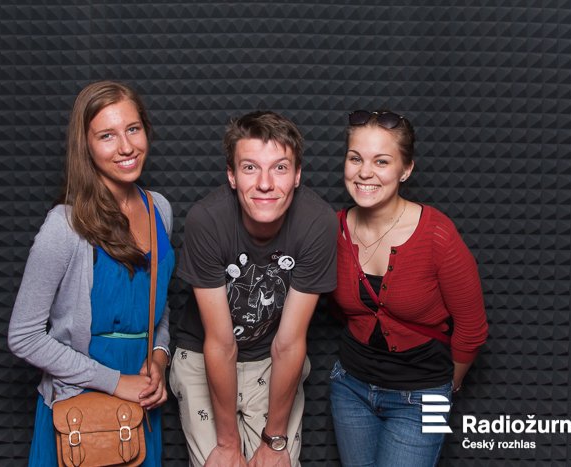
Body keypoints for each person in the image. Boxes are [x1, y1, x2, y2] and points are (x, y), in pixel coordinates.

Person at [7, 80, 175, 467]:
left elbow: (159, 306)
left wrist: (159, 358)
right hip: (80, 408)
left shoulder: (159, 209)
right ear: (85, 146)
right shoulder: (64, 226)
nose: (126, 147)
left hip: (142, 401)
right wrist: (116, 382)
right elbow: (23, 336)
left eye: (133, 129)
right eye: (107, 136)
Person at [170, 111, 337, 467]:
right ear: (231, 175)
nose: (265, 183)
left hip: (271, 360)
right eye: (250, 168)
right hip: (203, 356)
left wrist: (274, 441)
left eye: (280, 168)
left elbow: (289, 343)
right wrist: (228, 443)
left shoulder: (317, 222)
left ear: (297, 175)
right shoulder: (207, 220)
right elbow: (220, 343)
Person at [329, 110, 489, 467]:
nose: (364, 172)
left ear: (406, 169)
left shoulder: (438, 234)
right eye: (355, 158)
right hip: (349, 389)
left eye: (381, 161)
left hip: (424, 396)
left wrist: (445, 388)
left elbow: (473, 329)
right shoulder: (332, 230)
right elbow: (340, 310)